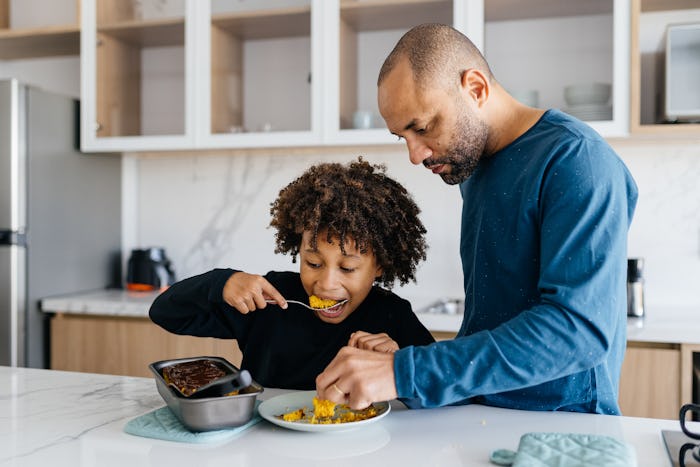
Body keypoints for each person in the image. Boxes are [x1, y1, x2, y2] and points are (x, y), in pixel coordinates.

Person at [316, 23, 638, 415]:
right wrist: (404, 362)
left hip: (564, 426)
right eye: (404, 137)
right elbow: (494, 325)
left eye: (422, 127)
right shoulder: (476, 167)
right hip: (486, 414)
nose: (415, 155)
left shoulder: (576, 160)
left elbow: (576, 331)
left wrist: (407, 372)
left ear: (476, 88)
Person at [149, 157, 435, 390]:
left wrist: (400, 364)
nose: (326, 284)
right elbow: (165, 313)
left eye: (347, 268)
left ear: (380, 266)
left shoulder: (392, 315)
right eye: (313, 263)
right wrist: (222, 282)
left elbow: (439, 387)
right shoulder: (270, 299)